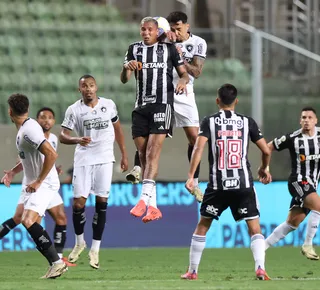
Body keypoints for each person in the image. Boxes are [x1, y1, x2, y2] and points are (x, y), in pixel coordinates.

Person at [182, 84, 272, 280]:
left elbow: (198, 148)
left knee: (202, 226)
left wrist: (191, 175)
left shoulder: (209, 122)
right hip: (243, 184)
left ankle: (193, 271)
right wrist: (264, 168)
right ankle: (260, 268)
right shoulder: (248, 122)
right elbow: (266, 150)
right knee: (254, 228)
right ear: (236, 101)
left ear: (217, 101)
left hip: (218, 185)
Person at [125, 12, 207, 204]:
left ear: (187, 26)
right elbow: (150, 35)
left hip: (184, 92)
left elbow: (196, 72)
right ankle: (138, 167)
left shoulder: (198, 43)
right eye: (172, 29)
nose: (176, 32)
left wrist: (177, 55)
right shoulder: (163, 38)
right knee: (148, 134)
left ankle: (193, 181)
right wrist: (165, 39)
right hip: (161, 91)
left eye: (179, 28)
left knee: (195, 139)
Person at [120, 16, 189, 223]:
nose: (146, 33)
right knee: (142, 155)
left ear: (157, 30)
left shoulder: (168, 49)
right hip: (140, 107)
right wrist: (127, 68)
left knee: (152, 153)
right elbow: (124, 80)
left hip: (162, 105)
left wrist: (183, 83)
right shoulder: (133, 49)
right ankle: (154, 207)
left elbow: (184, 74)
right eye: (143, 30)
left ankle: (143, 200)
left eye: (150, 29)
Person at [59, 74, 128, 269]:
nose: (88, 89)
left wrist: (123, 154)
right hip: (84, 159)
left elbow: (118, 129)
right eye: (84, 86)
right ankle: (80, 242)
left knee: (101, 201)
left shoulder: (109, 105)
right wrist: (77, 139)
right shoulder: (74, 109)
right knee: (78, 203)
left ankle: (95, 249)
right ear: (79, 89)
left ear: (96, 87)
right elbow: (63, 135)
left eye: (91, 85)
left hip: (105, 158)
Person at [0, 107, 75, 267]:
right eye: (43, 117)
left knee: (60, 218)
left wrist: (53, 170)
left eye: (50, 117)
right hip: (34, 182)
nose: (46, 120)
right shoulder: (30, 133)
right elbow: (28, 159)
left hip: (46, 182)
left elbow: (46, 158)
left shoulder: (53, 138)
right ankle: (55, 261)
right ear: (37, 119)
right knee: (23, 219)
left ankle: (59, 258)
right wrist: (15, 171)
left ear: (54, 121)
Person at [265, 107, 320, 260]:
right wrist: (265, 168)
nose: (306, 120)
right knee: (318, 206)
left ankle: (262, 246)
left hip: (312, 184)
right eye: (303, 117)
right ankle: (308, 244)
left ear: (315, 121)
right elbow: (268, 147)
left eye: (310, 118)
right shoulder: (293, 138)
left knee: (293, 222)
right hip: (298, 181)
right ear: (300, 120)